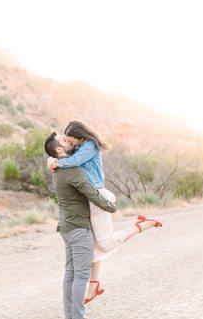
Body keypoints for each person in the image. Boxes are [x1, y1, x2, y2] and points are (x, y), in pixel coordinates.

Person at [47, 121, 162, 304]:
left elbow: (74, 162)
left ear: (80, 136)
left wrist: (56, 161)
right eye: (66, 140)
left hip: (97, 194)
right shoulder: (79, 147)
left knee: (106, 244)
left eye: (70, 139)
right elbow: (69, 158)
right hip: (89, 197)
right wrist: (53, 159)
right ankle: (94, 284)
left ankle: (140, 226)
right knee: (93, 245)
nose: (70, 142)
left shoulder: (89, 145)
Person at [44, 131, 117, 319]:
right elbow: (91, 192)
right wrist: (110, 207)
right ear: (59, 150)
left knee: (71, 274)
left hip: (67, 226)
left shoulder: (58, 168)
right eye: (64, 141)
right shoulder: (71, 169)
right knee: (81, 275)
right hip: (79, 228)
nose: (68, 142)